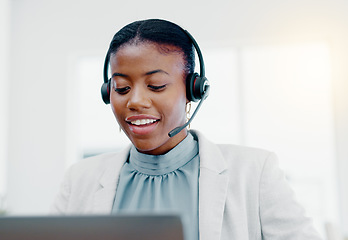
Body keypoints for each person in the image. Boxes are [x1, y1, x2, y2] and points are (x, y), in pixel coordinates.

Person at [52, 19, 322, 240]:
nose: (134, 101)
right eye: (121, 88)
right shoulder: (79, 180)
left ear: (193, 90)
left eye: (156, 85)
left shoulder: (255, 171)